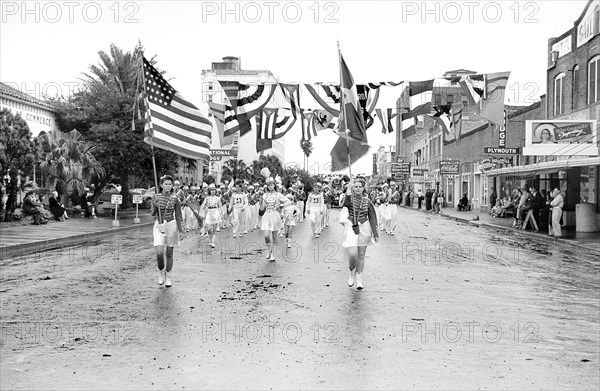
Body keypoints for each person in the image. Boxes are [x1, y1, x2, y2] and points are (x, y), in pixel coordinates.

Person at [340, 177, 379, 290]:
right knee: (353, 254)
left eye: (360, 187)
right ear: (353, 188)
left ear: (363, 188)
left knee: (361, 255)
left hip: (364, 227)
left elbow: (373, 218)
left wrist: (375, 233)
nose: (357, 189)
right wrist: (349, 189)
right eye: (355, 187)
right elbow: (345, 204)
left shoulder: (367, 201)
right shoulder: (349, 199)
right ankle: (352, 272)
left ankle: (359, 279)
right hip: (352, 227)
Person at [150, 175, 184, 288]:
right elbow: (152, 213)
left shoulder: (175, 198)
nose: (168, 186)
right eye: (166, 184)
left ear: (172, 185)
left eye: (170, 184)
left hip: (171, 225)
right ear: (161, 185)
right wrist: (155, 205)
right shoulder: (156, 196)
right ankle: (161, 272)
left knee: (169, 253)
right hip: (159, 225)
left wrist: (181, 230)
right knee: (159, 252)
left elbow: (178, 215)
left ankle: (168, 276)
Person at [260, 177, 288, 261]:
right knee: (266, 235)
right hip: (267, 215)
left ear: (274, 185)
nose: (270, 187)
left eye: (271, 185)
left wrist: (280, 206)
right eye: (268, 185)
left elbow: (288, 201)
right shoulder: (265, 195)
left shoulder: (278, 194)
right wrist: (261, 202)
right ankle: (269, 250)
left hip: (275, 215)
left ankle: (273, 254)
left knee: (274, 236)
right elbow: (262, 208)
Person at [200, 184, 221, 248]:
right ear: (210, 191)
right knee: (209, 229)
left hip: (215, 212)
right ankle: (210, 239)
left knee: (214, 229)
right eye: (211, 190)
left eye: (214, 190)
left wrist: (221, 214)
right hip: (209, 212)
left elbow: (220, 206)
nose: (213, 191)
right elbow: (203, 205)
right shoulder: (207, 198)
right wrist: (202, 211)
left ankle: (213, 242)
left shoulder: (218, 198)